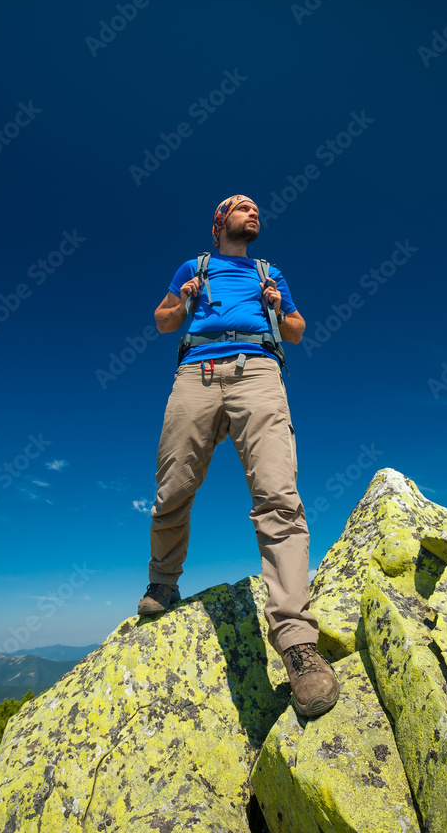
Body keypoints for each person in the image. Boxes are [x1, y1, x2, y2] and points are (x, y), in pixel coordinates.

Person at [138, 195, 339, 718]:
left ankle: (297, 642)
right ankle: (163, 581)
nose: (252, 210)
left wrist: (278, 304)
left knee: (278, 494)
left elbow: (296, 332)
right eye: (240, 206)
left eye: (255, 207)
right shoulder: (194, 267)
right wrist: (182, 299)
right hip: (196, 374)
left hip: (259, 370)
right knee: (174, 487)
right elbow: (162, 323)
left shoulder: (270, 273)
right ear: (217, 224)